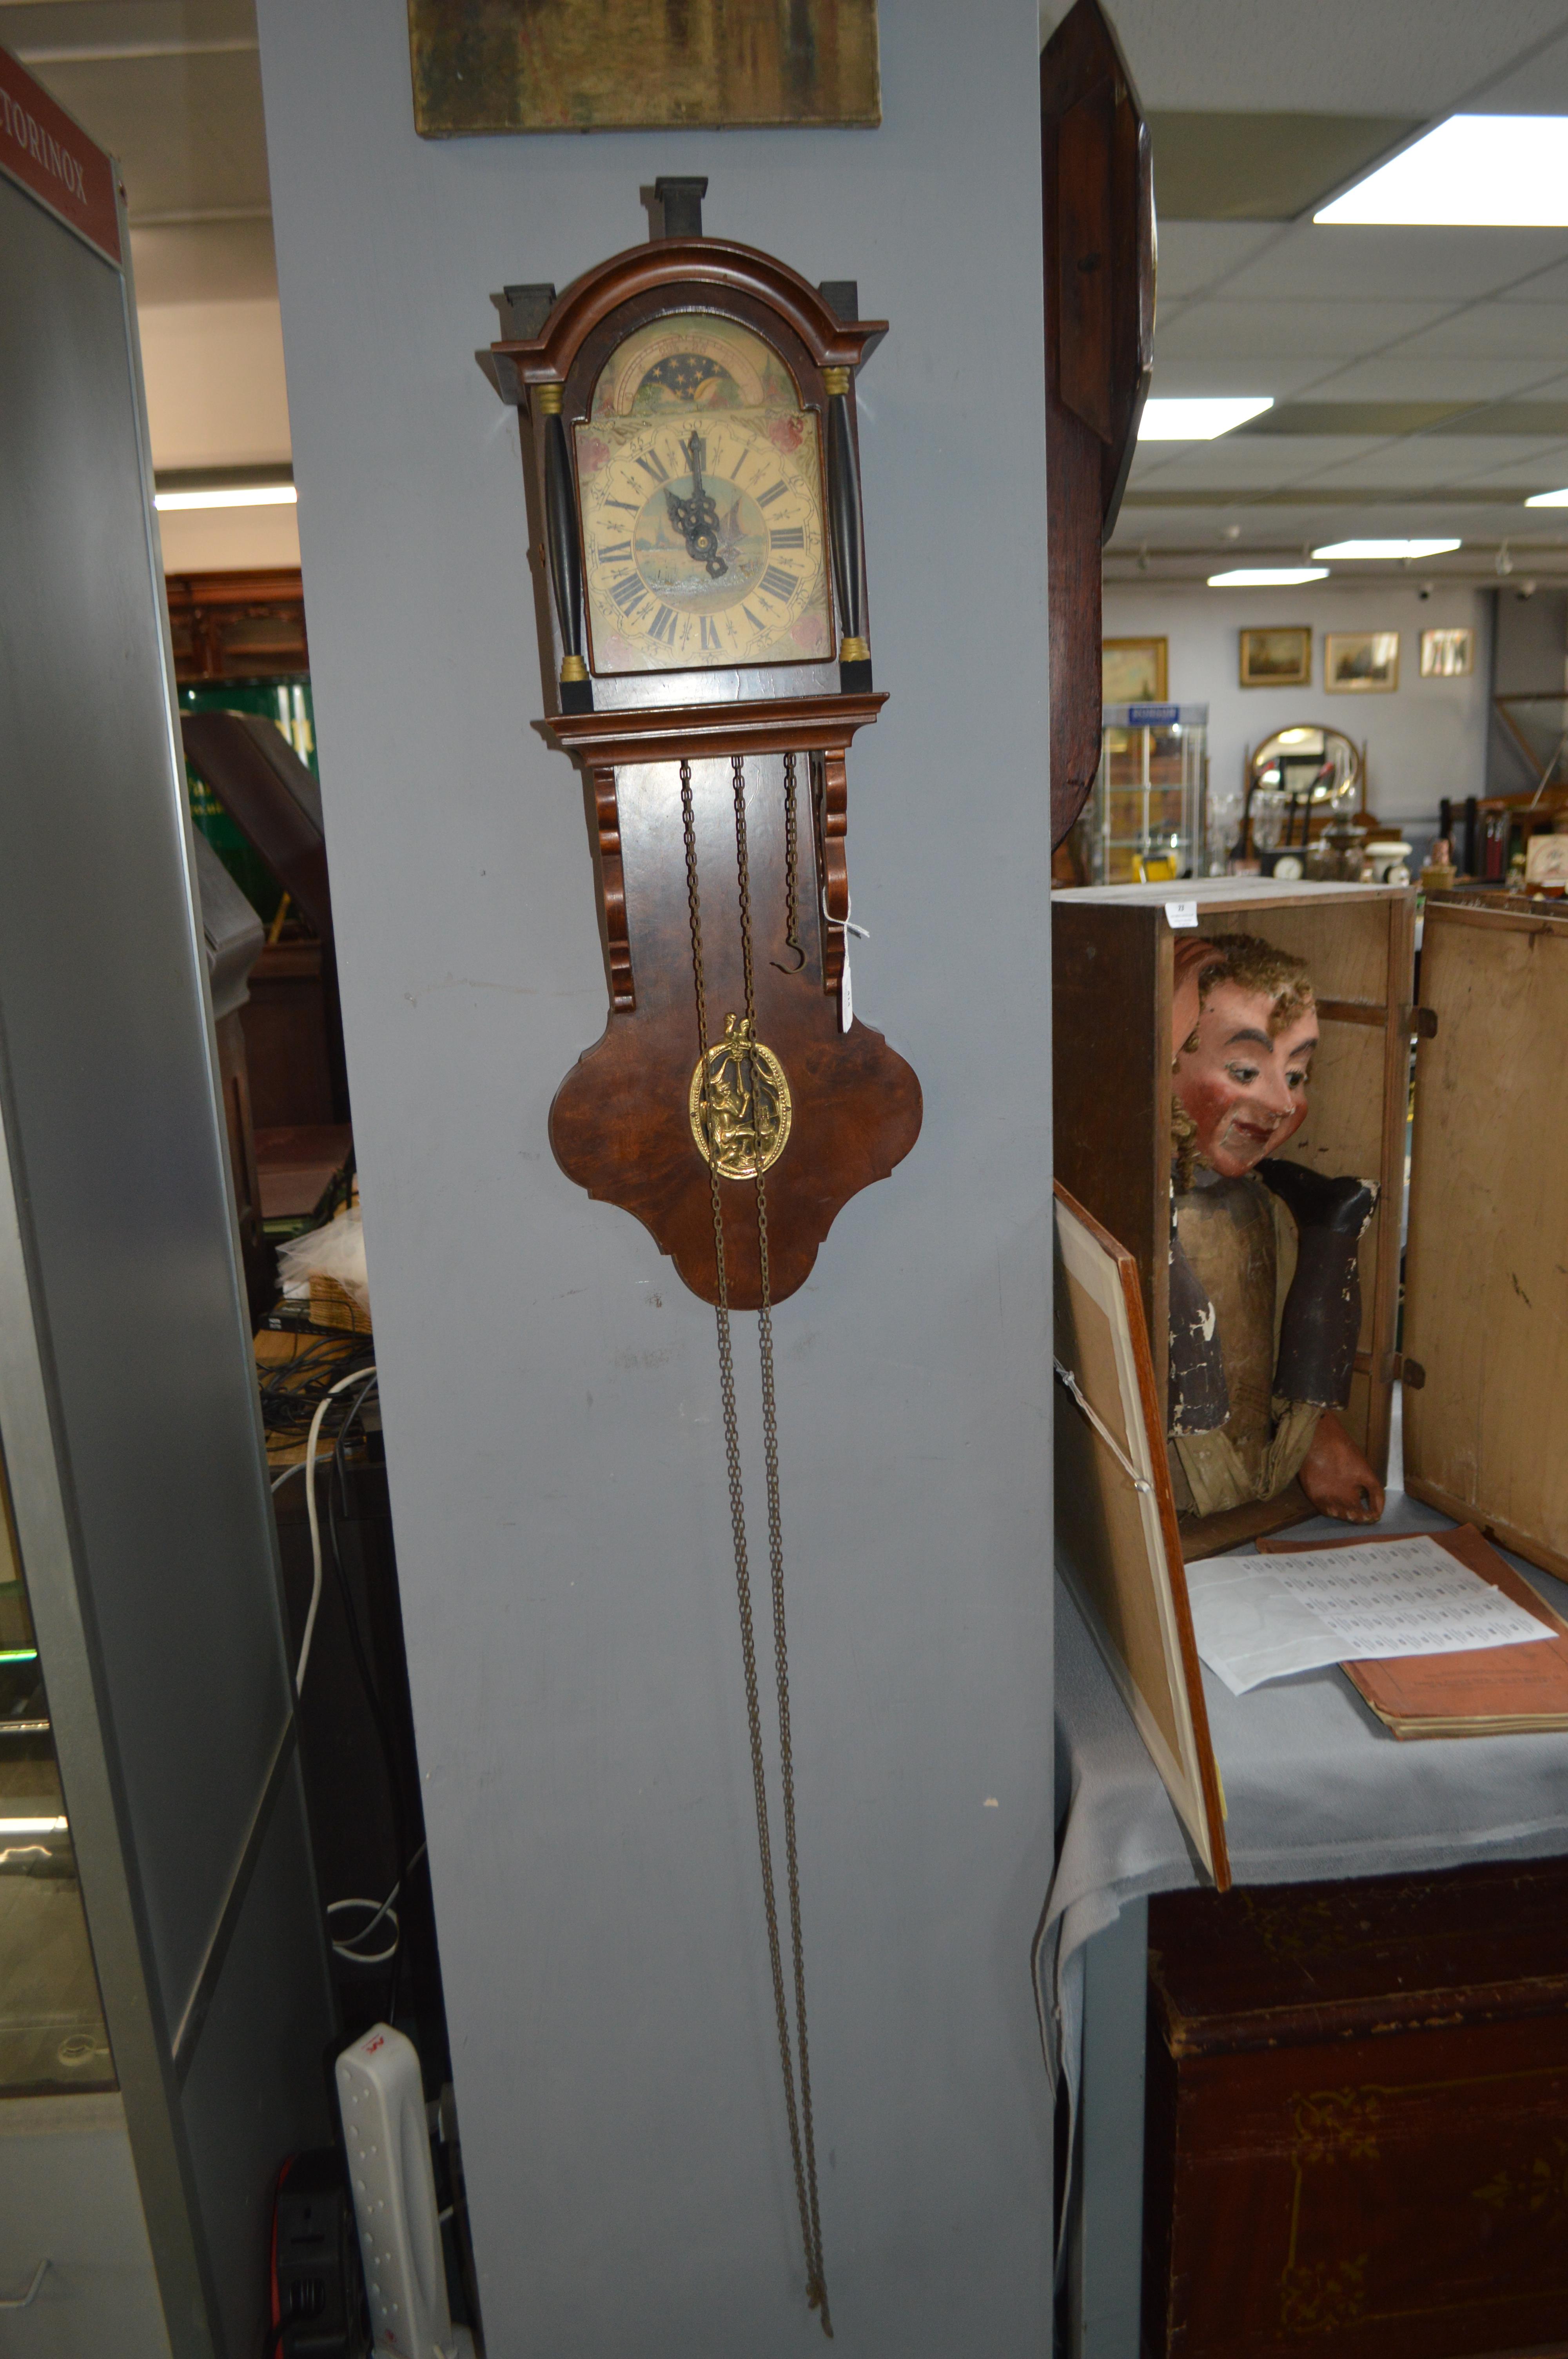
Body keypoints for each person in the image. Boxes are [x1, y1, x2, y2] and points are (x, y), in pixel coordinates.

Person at [1167, 931, 1385, 1525]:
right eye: (1245, 1070)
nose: (1282, 1104)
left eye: (1295, 1075)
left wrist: (1314, 1433)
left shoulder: (1268, 1208)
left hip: (1257, 1483)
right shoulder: (1130, 1215)